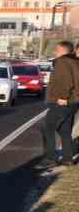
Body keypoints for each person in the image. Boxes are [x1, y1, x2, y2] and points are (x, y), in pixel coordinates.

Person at [38, 41, 79, 172]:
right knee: (64, 131)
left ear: (62, 51)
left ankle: (50, 159)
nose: (55, 52)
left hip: (63, 102)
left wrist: (63, 96)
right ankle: (68, 159)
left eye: (56, 50)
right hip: (73, 102)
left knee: (47, 128)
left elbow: (66, 81)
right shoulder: (74, 62)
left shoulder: (63, 62)